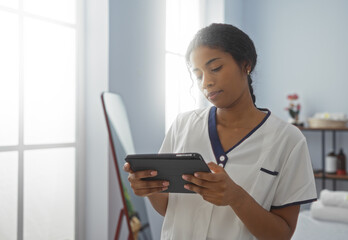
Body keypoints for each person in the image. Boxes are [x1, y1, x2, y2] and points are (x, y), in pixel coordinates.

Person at [124, 23, 317, 240]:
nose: (206, 82)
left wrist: (237, 198)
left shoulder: (288, 140)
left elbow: (281, 234)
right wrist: (150, 188)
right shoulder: (183, 125)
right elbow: (170, 209)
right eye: (198, 75)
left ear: (246, 64)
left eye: (215, 68)